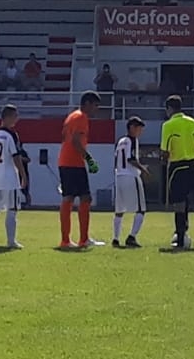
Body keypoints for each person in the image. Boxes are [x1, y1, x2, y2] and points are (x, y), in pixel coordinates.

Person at [161, 95, 194, 250]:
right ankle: (184, 230)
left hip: (177, 166)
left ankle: (180, 236)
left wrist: (164, 160)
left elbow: (165, 151)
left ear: (169, 108)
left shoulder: (168, 125)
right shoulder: (193, 122)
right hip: (193, 165)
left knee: (178, 201)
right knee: (185, 198)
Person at [58, 92, 103, 248]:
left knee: (74, 197)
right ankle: (78, 240)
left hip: (66, 161)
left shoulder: (71, 116)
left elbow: (64, 137)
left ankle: (70, 239)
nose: (96, 109)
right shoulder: (81, 117)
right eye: (95, 105)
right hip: (73, 163)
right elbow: (76, 141)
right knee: (79, 198)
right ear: (87, 103)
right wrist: (89, 159)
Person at [0, 105, 27, 249]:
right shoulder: (11, 135)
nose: (17, 119)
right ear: (7, 117)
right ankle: (11, 241)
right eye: (15, 116)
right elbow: (16, 157)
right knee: (12, 209)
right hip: (9, 179)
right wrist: (23, 175)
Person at [111, 116, 148, 248]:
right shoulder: (132, 140)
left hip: (119, 176)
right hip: (131, 176)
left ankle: (115, 238)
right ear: (132, 128)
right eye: (139, 128)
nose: (140, 131)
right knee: (141, 209)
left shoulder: (121, 141)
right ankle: (131, 237)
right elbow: (131, 159)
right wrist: (143, 169)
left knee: (119, 210)